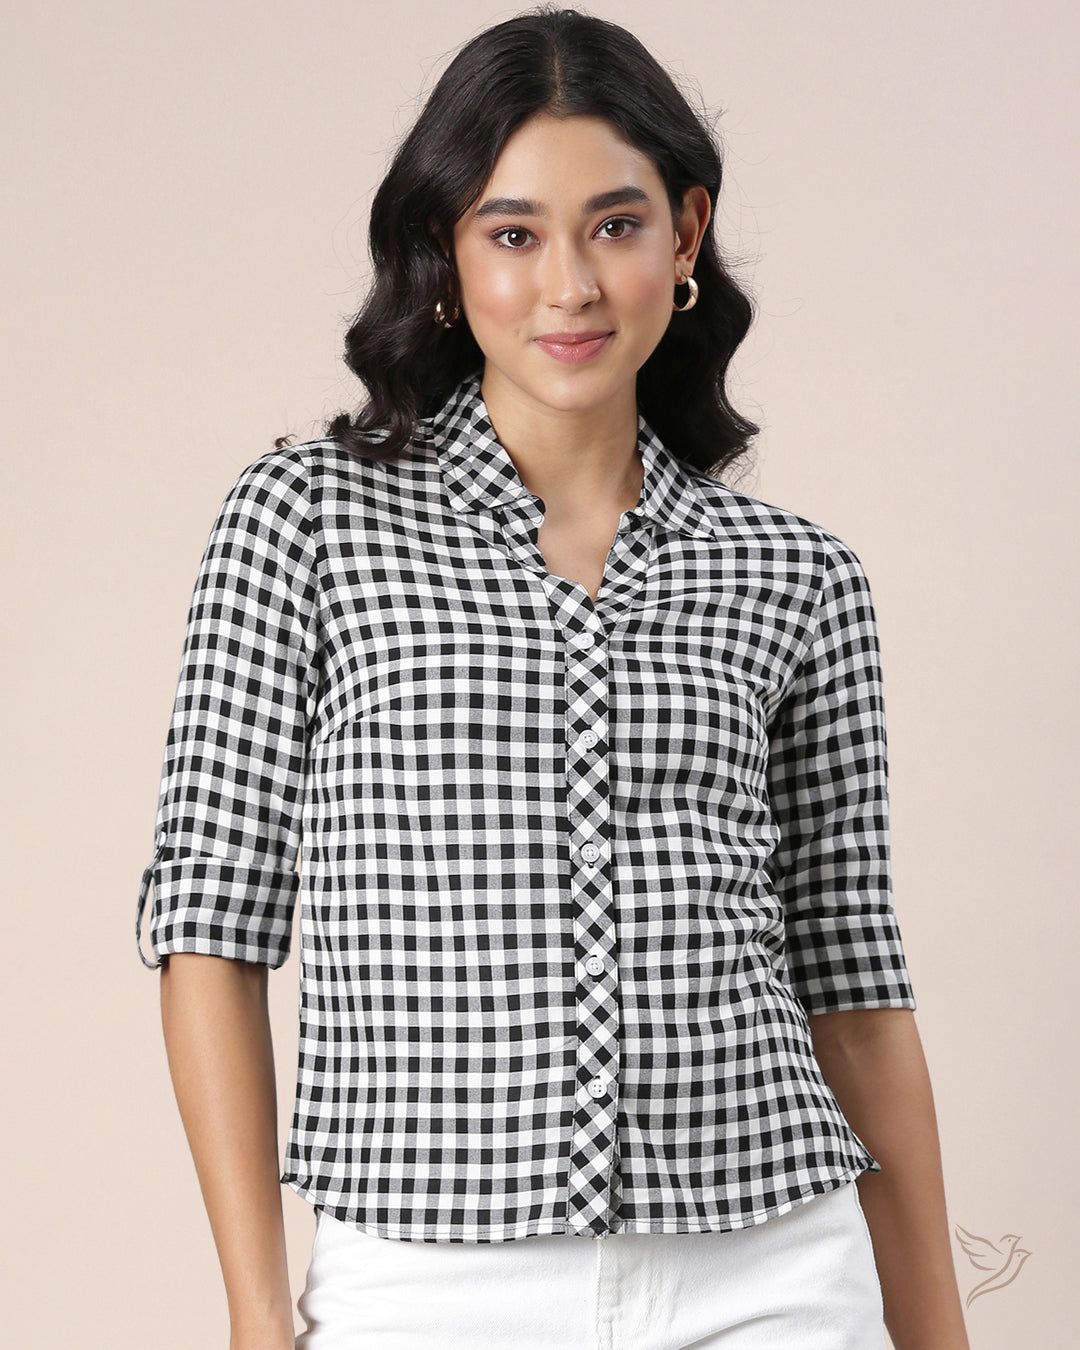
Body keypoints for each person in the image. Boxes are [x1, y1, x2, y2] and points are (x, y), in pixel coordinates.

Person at [134, 6, 970, 1348]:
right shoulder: (303, 522)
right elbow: (210, 933)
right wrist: (254, 1312)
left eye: (616, 225)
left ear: (685, 235)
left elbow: (856, 989)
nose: (570, 284)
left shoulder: (797, 576)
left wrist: (935, 1330)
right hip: (429, 1277)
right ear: (445, 252)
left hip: (770, 1266)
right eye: (514, 234)